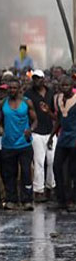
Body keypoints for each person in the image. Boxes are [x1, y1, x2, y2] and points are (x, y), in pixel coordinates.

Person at [0, 79, 38, 211]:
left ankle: (27, 200)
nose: (12, 90)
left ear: (19, 89)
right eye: (10, 88)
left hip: (24, 144)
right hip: (8, 144)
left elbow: (35, 120)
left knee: (26, 172)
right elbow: (0, 121)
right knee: (10, 173)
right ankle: (11, 199)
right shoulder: (2, 103)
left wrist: (30, 129)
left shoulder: (27, 102)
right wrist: (0, 129)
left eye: (15, 88)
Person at [25, 69, 56, 202]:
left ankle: (50, 187)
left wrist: (48, 112)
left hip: (51, 131)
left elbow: (55, 114)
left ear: (44, 79)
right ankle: (38, 190)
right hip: (36, 132)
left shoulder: (51, 93)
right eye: (35, 78)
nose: (37, 81)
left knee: (52, 161)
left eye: (39, 78)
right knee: (38, 161)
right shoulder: (29, 93)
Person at [49, 76, 76, 212]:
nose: (64, 88)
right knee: (57, 167)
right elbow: (59, 119)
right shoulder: (59, 99)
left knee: (73, 171)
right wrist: (51, 136)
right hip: (63, 138)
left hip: (74, 139)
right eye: (62, 85)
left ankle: (72, 200)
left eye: (67, 85)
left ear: (72, 86)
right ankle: (61, 199)